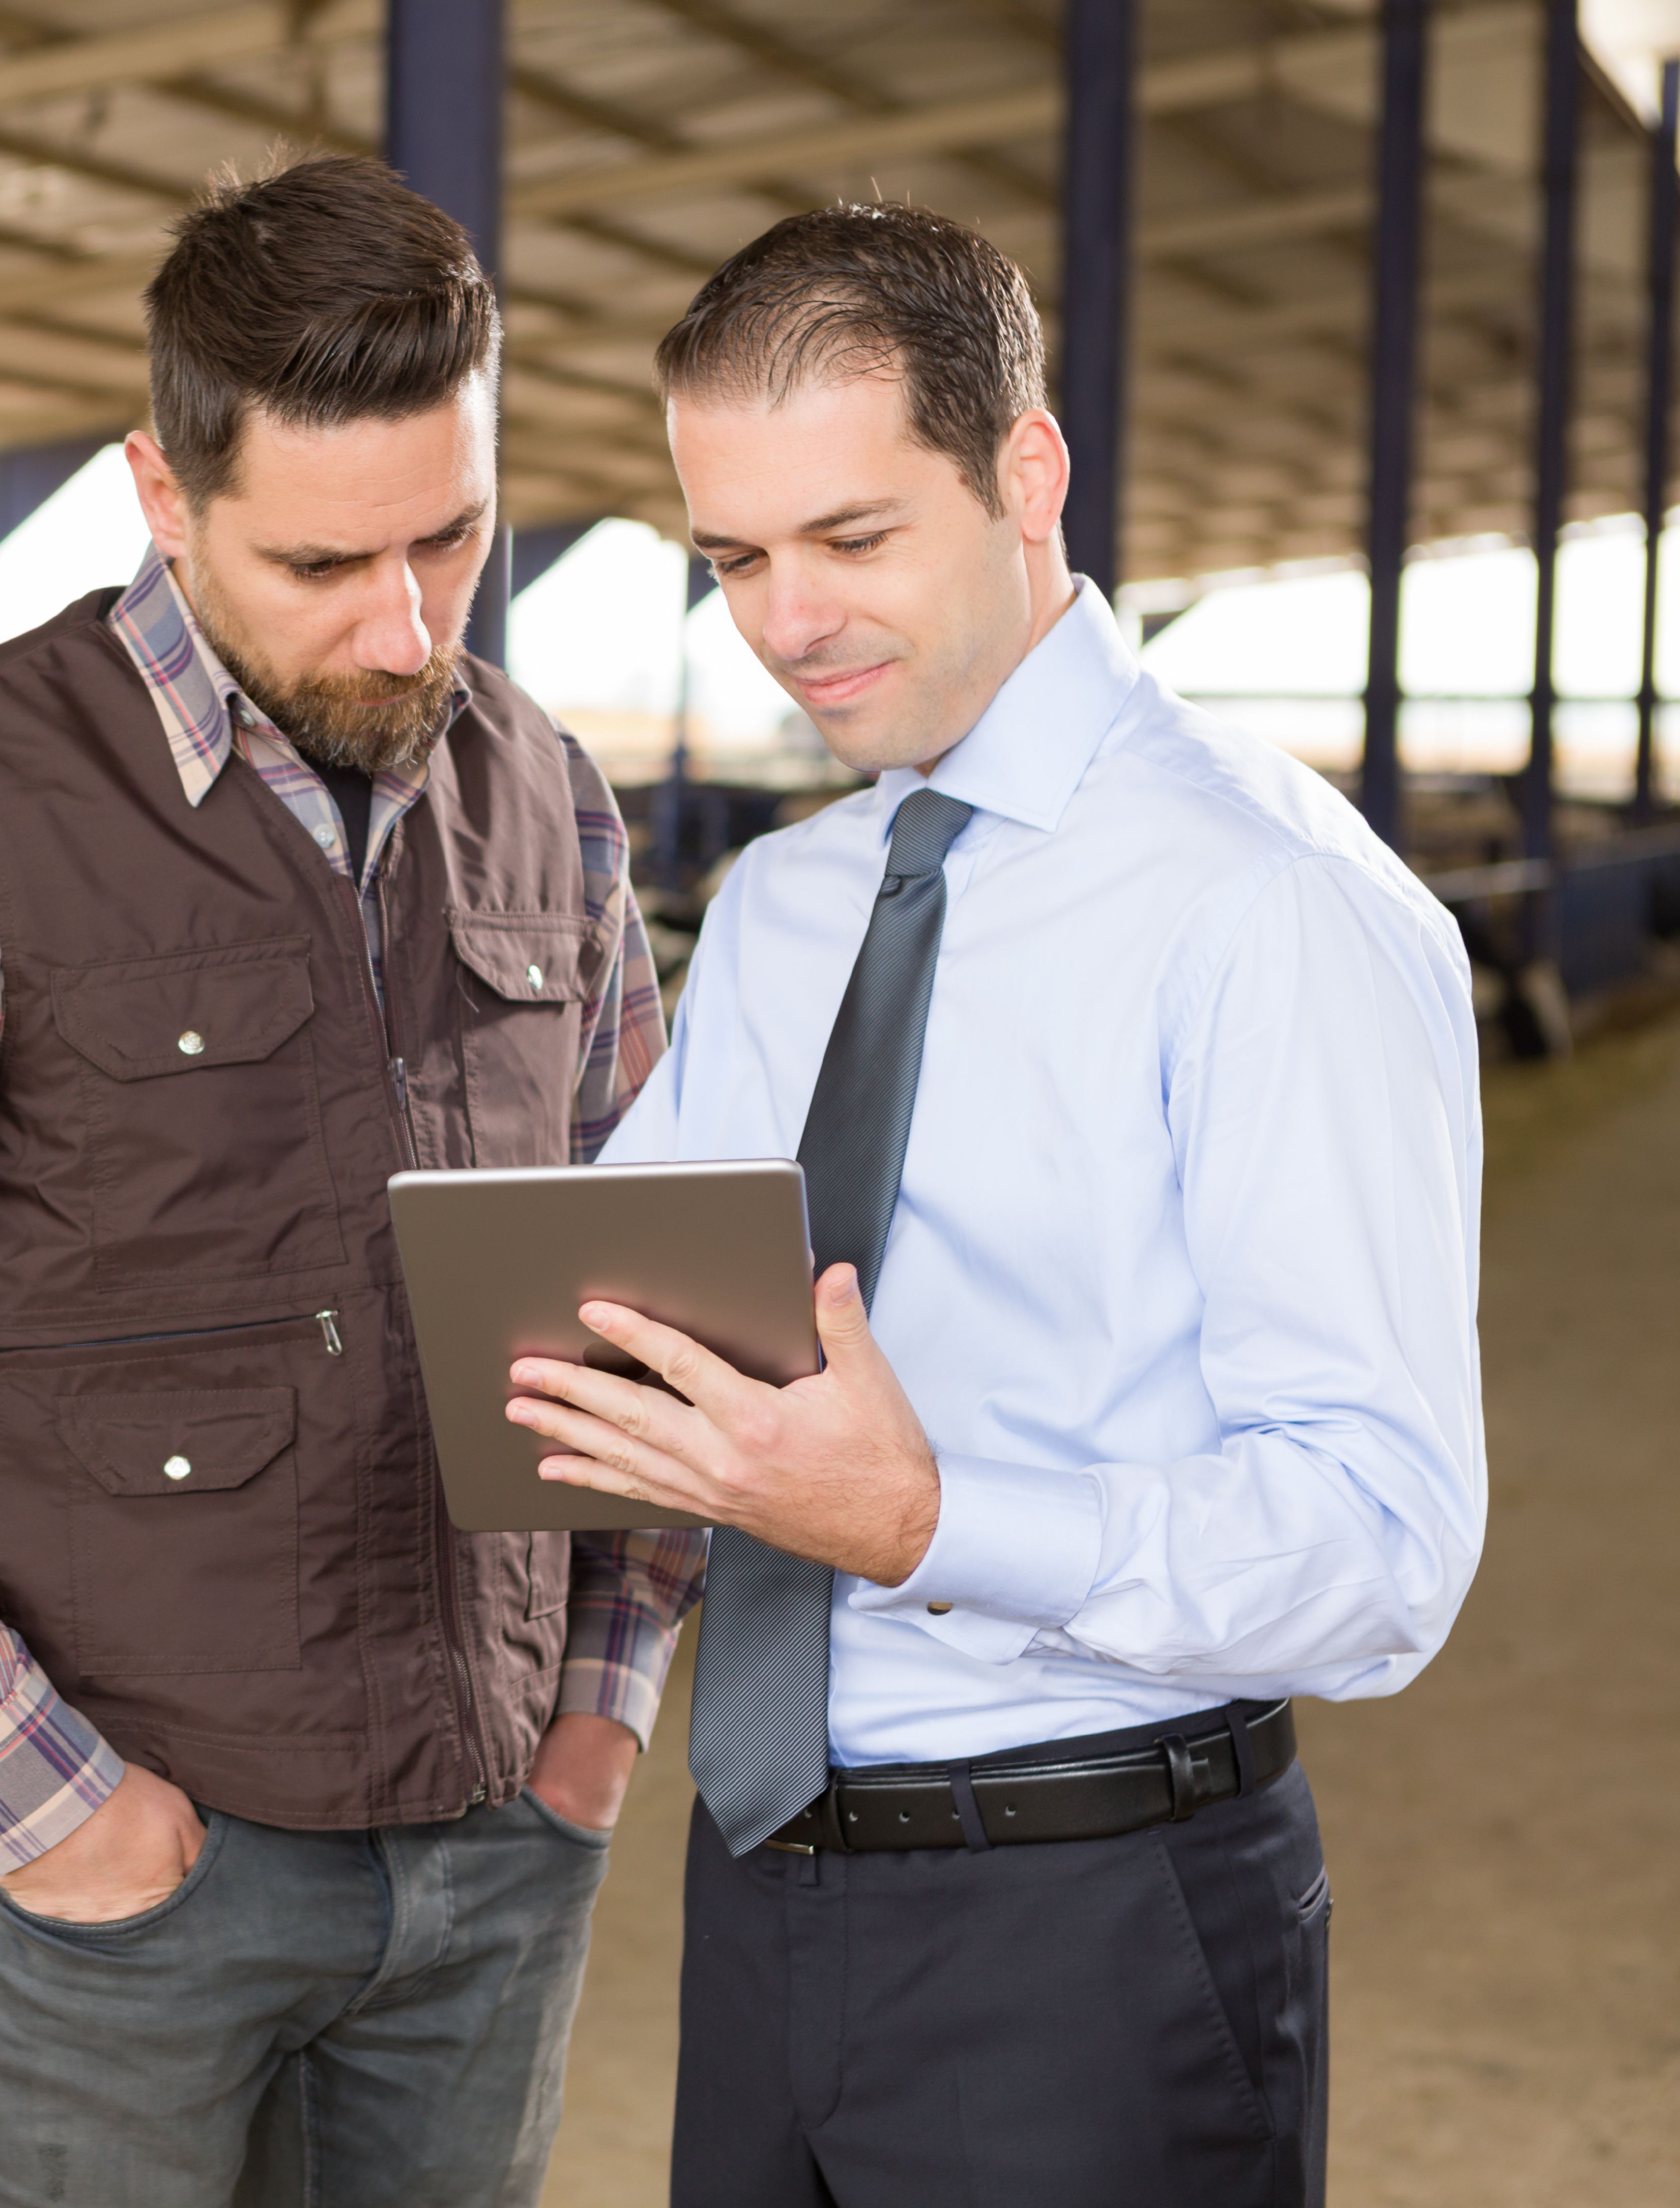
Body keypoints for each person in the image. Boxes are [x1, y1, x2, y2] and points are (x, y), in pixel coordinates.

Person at [0, 155, 701, 2206]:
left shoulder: (548, 803)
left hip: (491, 1862)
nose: (406, 623)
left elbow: (639, 1288)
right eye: (325, 561)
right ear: (163, 493)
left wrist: (602, 1703)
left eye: (455, 538)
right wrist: (42, 1802)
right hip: (120, 1890)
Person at [504, 202, 1486, 2205]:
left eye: (851, 539)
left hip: (1095, 1919)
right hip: (764, 1885)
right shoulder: (783, 908)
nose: (785, 622)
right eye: (733, 559)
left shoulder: (1265, 904)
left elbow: (1383, 1549)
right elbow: (613, 1331)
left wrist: (928, 1523)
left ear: (1026, 470)